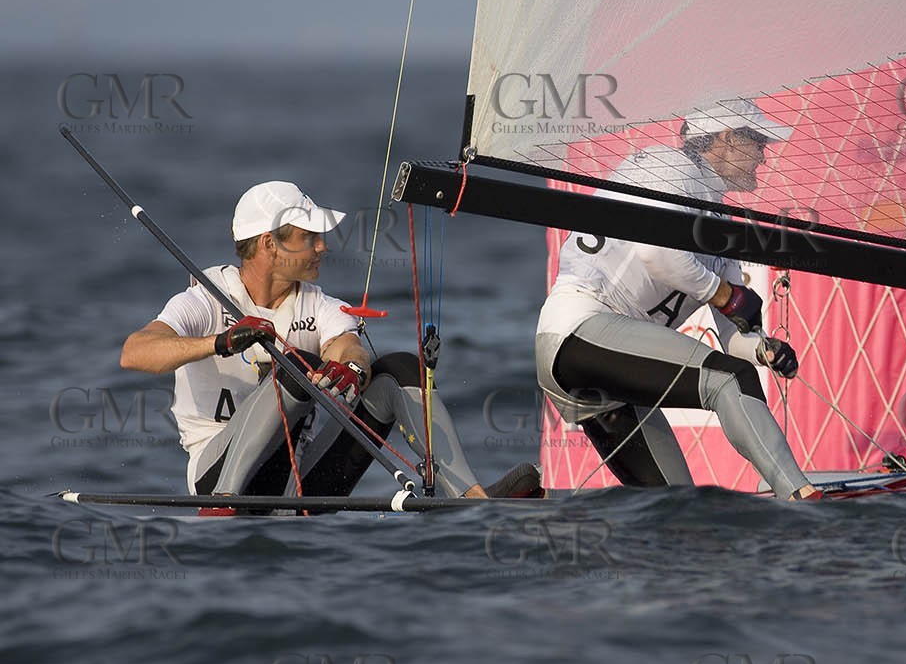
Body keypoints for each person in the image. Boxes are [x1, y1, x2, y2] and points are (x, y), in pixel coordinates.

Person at [121, 181, 502, 506]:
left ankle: (472, 501)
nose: (322, 247)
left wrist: (352, 366)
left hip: (299, 481)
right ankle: (224, 505)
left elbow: (346, 344)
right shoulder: (206, 297)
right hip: (215, 475)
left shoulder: (319, 304)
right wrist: (221, 342)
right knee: (296, 364)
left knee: (400, 368)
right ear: (270, 244)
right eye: (309, 238)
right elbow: (135, 353)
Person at [535, 99, 819, 499]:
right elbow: (658, 254)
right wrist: (724, 295)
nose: (763, 157)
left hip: (603, 372)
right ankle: (801, 497)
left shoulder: (718, 219)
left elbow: (731, 337)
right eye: (758, 144)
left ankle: (519, 494)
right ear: (726, 139)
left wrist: (762, 349)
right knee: (728, 380)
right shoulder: (669, 167)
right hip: (579, 330)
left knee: (677, 511)